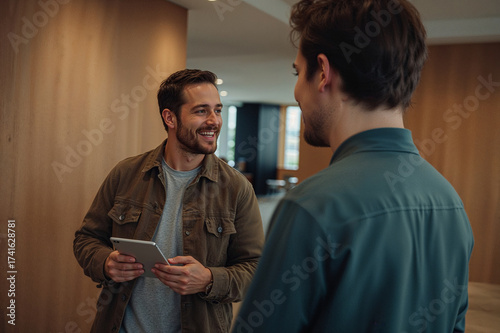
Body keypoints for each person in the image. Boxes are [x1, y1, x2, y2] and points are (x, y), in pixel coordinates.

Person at [233, 0, 473, 332]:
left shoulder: (311, 206)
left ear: (323, 72)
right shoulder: (451, 203)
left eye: (297, 72)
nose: (297, 91)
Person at [74, 69, 264, 332]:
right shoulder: (125, 174)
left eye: (217, 110)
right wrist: (105, 262)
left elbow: (255, 270)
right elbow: (86, 238)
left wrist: (210, 279)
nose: (214, 121)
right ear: (170, 117)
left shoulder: (236, 189)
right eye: (201, 111)